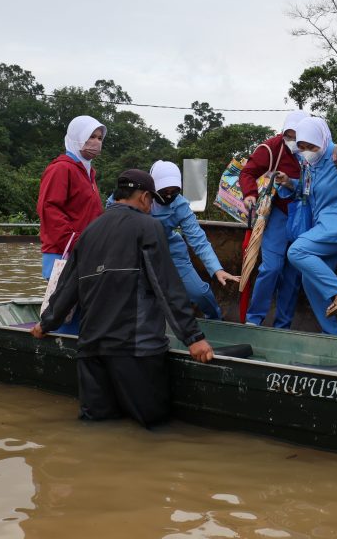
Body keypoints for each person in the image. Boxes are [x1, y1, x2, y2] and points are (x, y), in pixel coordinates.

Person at [31, 169, 215, 428]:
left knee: (97, 428)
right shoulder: (148, 227)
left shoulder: (89, 231)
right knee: (152, 430)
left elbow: (66, 288)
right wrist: (193, 338)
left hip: (91, 352)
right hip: (136, 352)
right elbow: (166, 287)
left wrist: (46, 323)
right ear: (143, 197)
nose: (151, 206)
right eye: (151, 200)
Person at [279, 116, 337, 335]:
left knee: (297, 251)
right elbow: (307, 192)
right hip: (325, 224)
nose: (307, 150)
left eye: (311, 145)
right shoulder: (309, 164)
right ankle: (333, 337)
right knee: (310, 281)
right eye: (302, 146)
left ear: (322, 138)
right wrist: (289, 183)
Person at [239, 110, 308, 328]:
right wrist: (250, 193)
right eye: (288, 136)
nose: (293, 141)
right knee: (271, 267)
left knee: (293, 274)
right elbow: (247, 172)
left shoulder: (315, 148)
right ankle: (254, 319)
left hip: (304, 214)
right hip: (278, 213)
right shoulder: (271, 148)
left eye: (297, 136)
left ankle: (283, 326)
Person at [149, 160, 239, 319]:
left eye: (174, 191)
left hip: (172, 251)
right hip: (143, 251)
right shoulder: (138, 198)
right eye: (164, 191)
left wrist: (217, 269)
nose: (169, 195)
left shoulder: (180, 205)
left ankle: (215, 320)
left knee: (200, 293)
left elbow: (198, 240)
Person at [37, 115, 105, 280]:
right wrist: (74, 241)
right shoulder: (61, 169)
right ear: (77, 137)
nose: (97, 142)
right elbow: (49, 209)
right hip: (63, 253)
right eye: (91, 136)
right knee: (61, 304)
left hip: (86, 252)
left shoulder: (89, 172)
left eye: (100, 138)